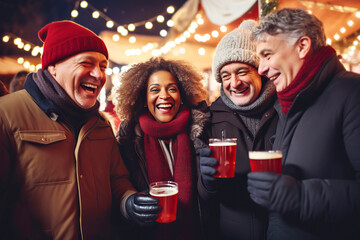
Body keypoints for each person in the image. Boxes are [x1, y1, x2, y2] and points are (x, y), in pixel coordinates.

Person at [0, 20, 161, 240]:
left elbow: (117, 179)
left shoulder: (101, 124)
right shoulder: (6, 114)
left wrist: (129, 202)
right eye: (86, 63)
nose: (99, 75)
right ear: (53, 67)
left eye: (103, 66)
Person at [247, 8, 360, 240]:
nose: (261, 69)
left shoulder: (352, 93)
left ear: (302, 46)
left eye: (267, 55)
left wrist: (301, 198)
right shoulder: (287, 101)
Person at [197, 20, 278, 240]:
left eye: (242, 71)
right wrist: (207, 182)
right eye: (225, 76)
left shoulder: (285, 112)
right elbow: (204, 198)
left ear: (260, 71)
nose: (234, 83)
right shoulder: (209, 119)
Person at [114, 57, 208, 240]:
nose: (164, 95)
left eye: (172, 89)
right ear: (143, 98)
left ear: (182, 95)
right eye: (154, 90)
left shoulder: (202, 132)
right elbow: (116, 191)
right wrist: (130, 206)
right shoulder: (128, 141)